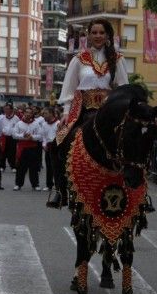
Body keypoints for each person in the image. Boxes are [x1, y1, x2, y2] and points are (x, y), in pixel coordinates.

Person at [47, 18, 129, 209]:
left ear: (107, 35)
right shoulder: (79, 59)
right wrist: (66, 113)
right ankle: (60, 191)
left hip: (110, 113)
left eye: (101, 33)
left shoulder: (118, 59)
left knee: (134, 143)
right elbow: (69, 89)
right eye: (94, 33)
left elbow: (124, 89)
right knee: (57, 142)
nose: (98, 36)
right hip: (84, 110)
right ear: (88, 35)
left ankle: (140, 195)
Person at [12, 107, 42, 191]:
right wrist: (23, 136)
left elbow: (40, 136)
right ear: (24, 113)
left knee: (34, 167)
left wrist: (32, 137)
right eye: (27, 112)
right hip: (22, 147)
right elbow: (14, 135)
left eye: (30, 113)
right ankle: (18, 184)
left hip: (33, 147)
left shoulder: (36, 124)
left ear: (32, 114)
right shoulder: (19, 123)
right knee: (21, 167)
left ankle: (35, 184)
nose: (28, 114)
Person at [42, 107, 59, 191]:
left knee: (57, 167)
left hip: (56, 147)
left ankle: (58, 185)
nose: (44, 115)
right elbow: (44, 136)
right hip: (48, 147)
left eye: (45, 113)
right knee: (48, 167)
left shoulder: (58, 123)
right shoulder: (44, 124)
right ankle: (49, 185)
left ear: (51, 114)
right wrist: (44, 144)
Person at [0, 102, 19, 172]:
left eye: (8, 109)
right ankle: (2, 166)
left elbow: (18, 128)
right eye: (5, 109)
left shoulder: (16, 118)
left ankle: (13, 166)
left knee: (12, 152)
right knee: (3, 152)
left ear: (11, 110)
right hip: (4, 137)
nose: (6, 110)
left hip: (13, 138)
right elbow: (0, 128)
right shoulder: (1, 118)